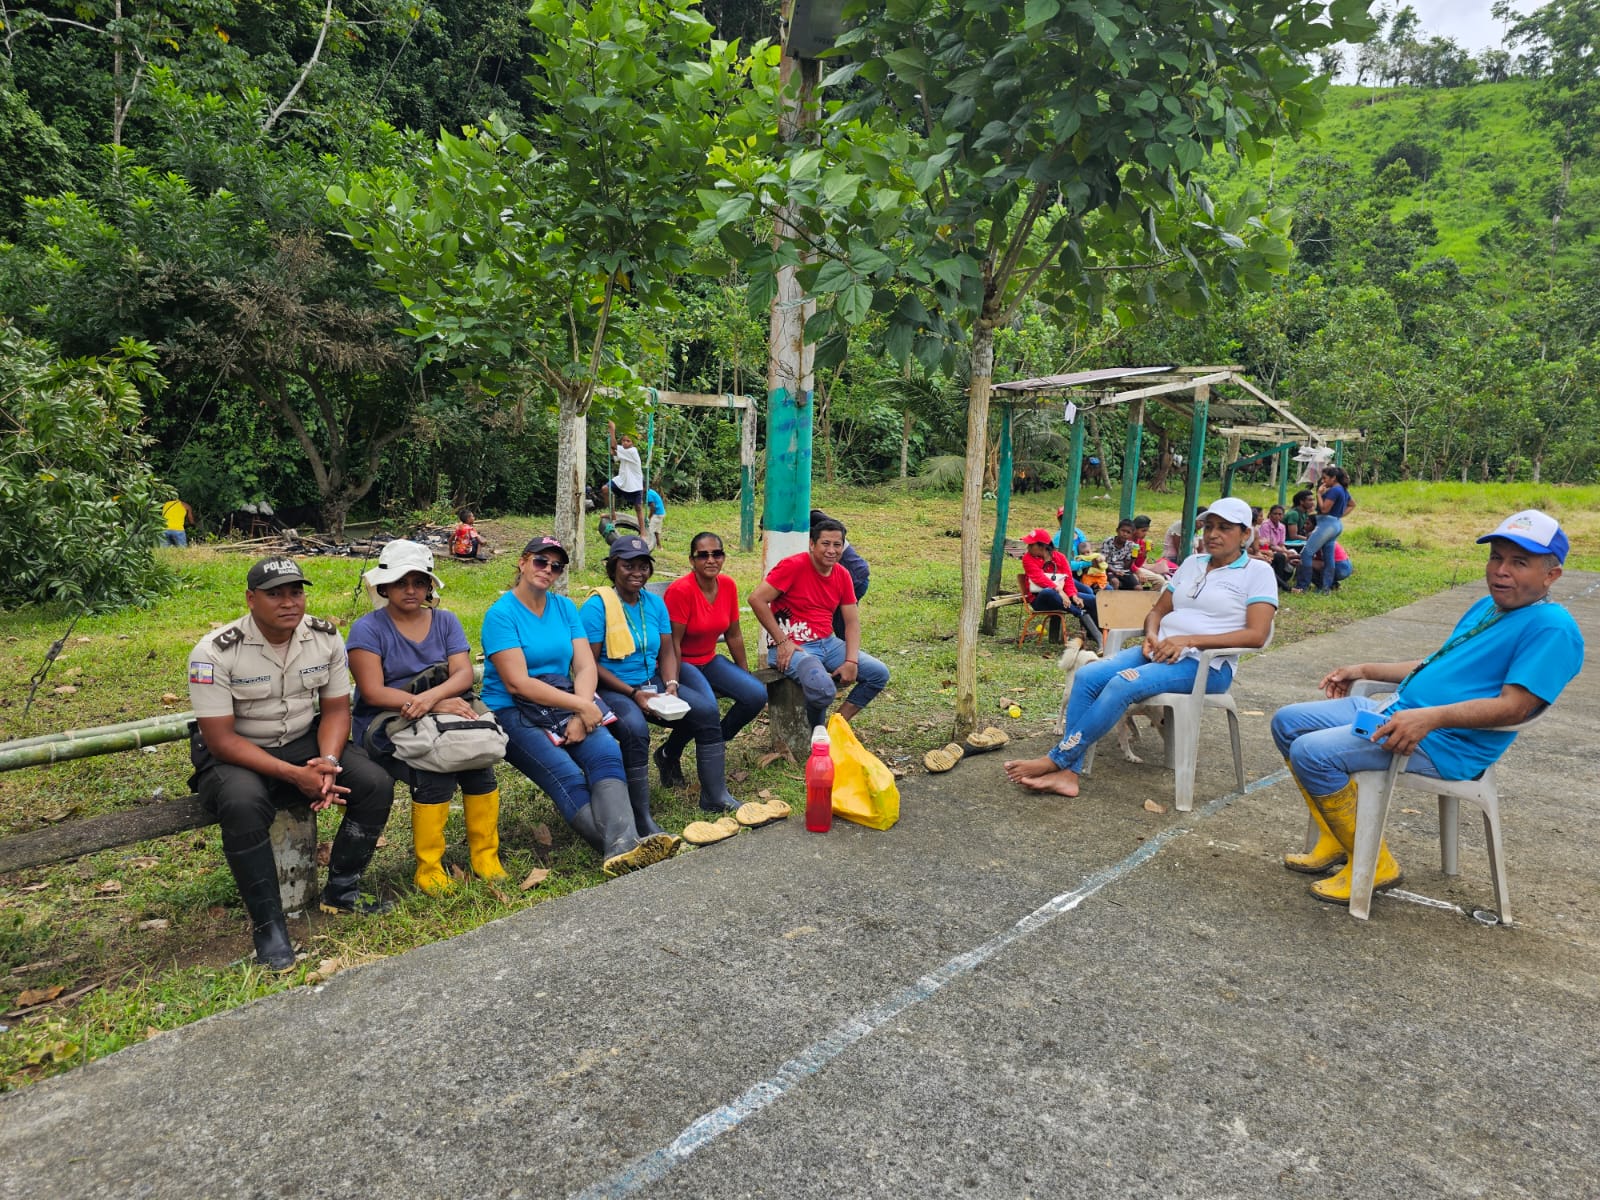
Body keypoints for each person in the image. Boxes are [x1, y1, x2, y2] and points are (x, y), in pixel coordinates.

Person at [1270, 510, 1583, 904]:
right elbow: (1434, 665)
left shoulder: (1552, 628)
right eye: (1496, 557)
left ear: (1551, 575)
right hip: (1400, 710)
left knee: (1311, 752)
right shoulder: (1489, 607)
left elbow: (1515, 708)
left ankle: (1375, 863)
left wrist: (1432, 717)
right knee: (1287, 722)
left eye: (1519, 562)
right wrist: (1364, 669)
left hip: (1444, 742)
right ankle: (1339, 839)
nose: (1500, 571)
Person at [187, 557, 395, 971]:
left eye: (296, 592)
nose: (288, 602)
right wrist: (295, 776)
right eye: (275, 594)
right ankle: (269, 926)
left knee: (374, 782)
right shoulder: (213, 652)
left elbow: (336, 710)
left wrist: (328, 762)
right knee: (243, 804)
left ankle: (342, 889)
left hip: (304, 742)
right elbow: (221, 739)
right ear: (251, 599)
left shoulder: (324, 637)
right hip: (239, 753)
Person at [1004, 498, 1276, 798]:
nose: (1213, 534)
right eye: (1209, 527)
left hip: (1206, 665)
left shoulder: (1257, 572)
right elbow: (1157, 611)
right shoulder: (1192, 564)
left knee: (1122, 684)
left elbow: (1256, 635)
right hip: (1159, 652)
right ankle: (1068, 774)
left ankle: (1056, 759)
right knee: (1087, 676)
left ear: (1245, 533)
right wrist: (1151, 634)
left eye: (1224, 528)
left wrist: (1189, 640)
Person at [481, 535, 673, 878]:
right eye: (541, 561)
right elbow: (517, 683)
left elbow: (585, 667)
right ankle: (624, 847)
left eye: (556, 566)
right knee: (566, 774)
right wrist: (581, 708)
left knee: (606, 753)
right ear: (523, 562)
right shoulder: (501, 615)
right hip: (514, 710)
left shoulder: (564, 607)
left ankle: (623, 847)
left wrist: (581, 710)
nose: (548, 569)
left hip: (566, 700)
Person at [346, 539, 503, 898]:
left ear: (429, 586)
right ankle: (429, 868)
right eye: (401, 582)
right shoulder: (368, 629)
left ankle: (485, 857)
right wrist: (431, 704)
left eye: (419, 582)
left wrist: (434, 699)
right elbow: (373, 691)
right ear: (384, 587)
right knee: (434, 771)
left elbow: (463, 673)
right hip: (388, 721)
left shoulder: (445, 621)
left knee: (479, 764)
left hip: (443, 711)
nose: (411, 590)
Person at [582, 535, 740, 821]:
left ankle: (715, 795)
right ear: (613, 568)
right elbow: (588, 665)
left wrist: (671, 685)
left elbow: (667, 650)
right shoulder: (597, 607)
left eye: (643, 566)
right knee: (634, 728)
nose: (637, 573)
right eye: (628, 566)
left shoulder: (654, 604)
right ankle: (640, 815)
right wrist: (633, 694)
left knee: (706, 712)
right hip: (613, 687)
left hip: (651, 681)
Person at [750, 517, 891, 730]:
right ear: (812, 544)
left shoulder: (842, 574)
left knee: (878, 673)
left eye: (837, 545)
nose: (831, 550)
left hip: (827, 643)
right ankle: (818, 736)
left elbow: (852, 623)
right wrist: (782, 641)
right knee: (822, 689)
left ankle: (833, 728)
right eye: (825, 544)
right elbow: (756, 599)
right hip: (794, 647)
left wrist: (851, 661)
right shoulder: (793, 565)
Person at [662, 532, 769, 802]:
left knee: (755, 694)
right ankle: (671, 754)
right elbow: (673, 643)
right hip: (683, 662)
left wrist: (743, 671)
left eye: (717, 554)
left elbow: (733, 634)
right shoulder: (681, 590)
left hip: (709, 659)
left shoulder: (728, 585)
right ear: (692, 560)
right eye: (703, 555)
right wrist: (673, 680)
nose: (711, 560)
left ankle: (713, 742)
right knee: (706, 708)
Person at [1019, 528, 1102, 650]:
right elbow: (1039, 578)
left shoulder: (1059, 557)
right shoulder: (1027, 558)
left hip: (1064, 598)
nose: (1028, 548)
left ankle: (1101, 637)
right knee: (1048, 592)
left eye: (1031, 545)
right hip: (1040, 599)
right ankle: (1078, 612)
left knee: (1093, 600)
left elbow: (1068, 579)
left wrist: (1073, 595)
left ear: (1043, 547)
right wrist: (1059, 590)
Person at [809, 508, 869, 637]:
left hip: (856, 577)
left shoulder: (814, 521)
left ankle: (847, 647)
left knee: (842, 623)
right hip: (857, 573)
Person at [1293, 466, 1354, 594]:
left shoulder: (1334, 490)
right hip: (1335, 524)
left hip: (1326, 524)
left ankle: (1302, 586)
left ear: (1334, 478)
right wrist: (1338, 516)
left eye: (1325, 478)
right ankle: (1325, 587)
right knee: (1328, 557)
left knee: (1306, 553)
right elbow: (1352, 504)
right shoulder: (1342, 490)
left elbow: (1324, 509)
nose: (1323, 481)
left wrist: (1319, 494)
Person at [604, 421, 647, 542]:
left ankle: (643, 532)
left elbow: (614, 447)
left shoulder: (633, 451)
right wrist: (612, 449)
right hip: (622, 480)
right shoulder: (623, 450)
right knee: (605, 489)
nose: (625, 443)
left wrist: (612, 430)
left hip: (634, 483)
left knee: (638, 507)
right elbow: (614, 453)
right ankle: (612, 514)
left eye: (628, 441)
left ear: (633, 443)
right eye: (623, 440)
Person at [1099, 519, 1142, 590]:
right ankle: (1113, 597)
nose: (1125, 534)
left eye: (1128, 532)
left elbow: (1126, 567)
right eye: (1123, 531)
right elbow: (1103, 562)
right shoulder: (1108, 541)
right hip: (1108, 570)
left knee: (1138, 588)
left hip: (1123, 571)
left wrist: (1133, 557)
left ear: (1131, 535)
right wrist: (1114, 571)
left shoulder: (1131, 545)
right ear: (1117, 530)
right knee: (1115, 582)